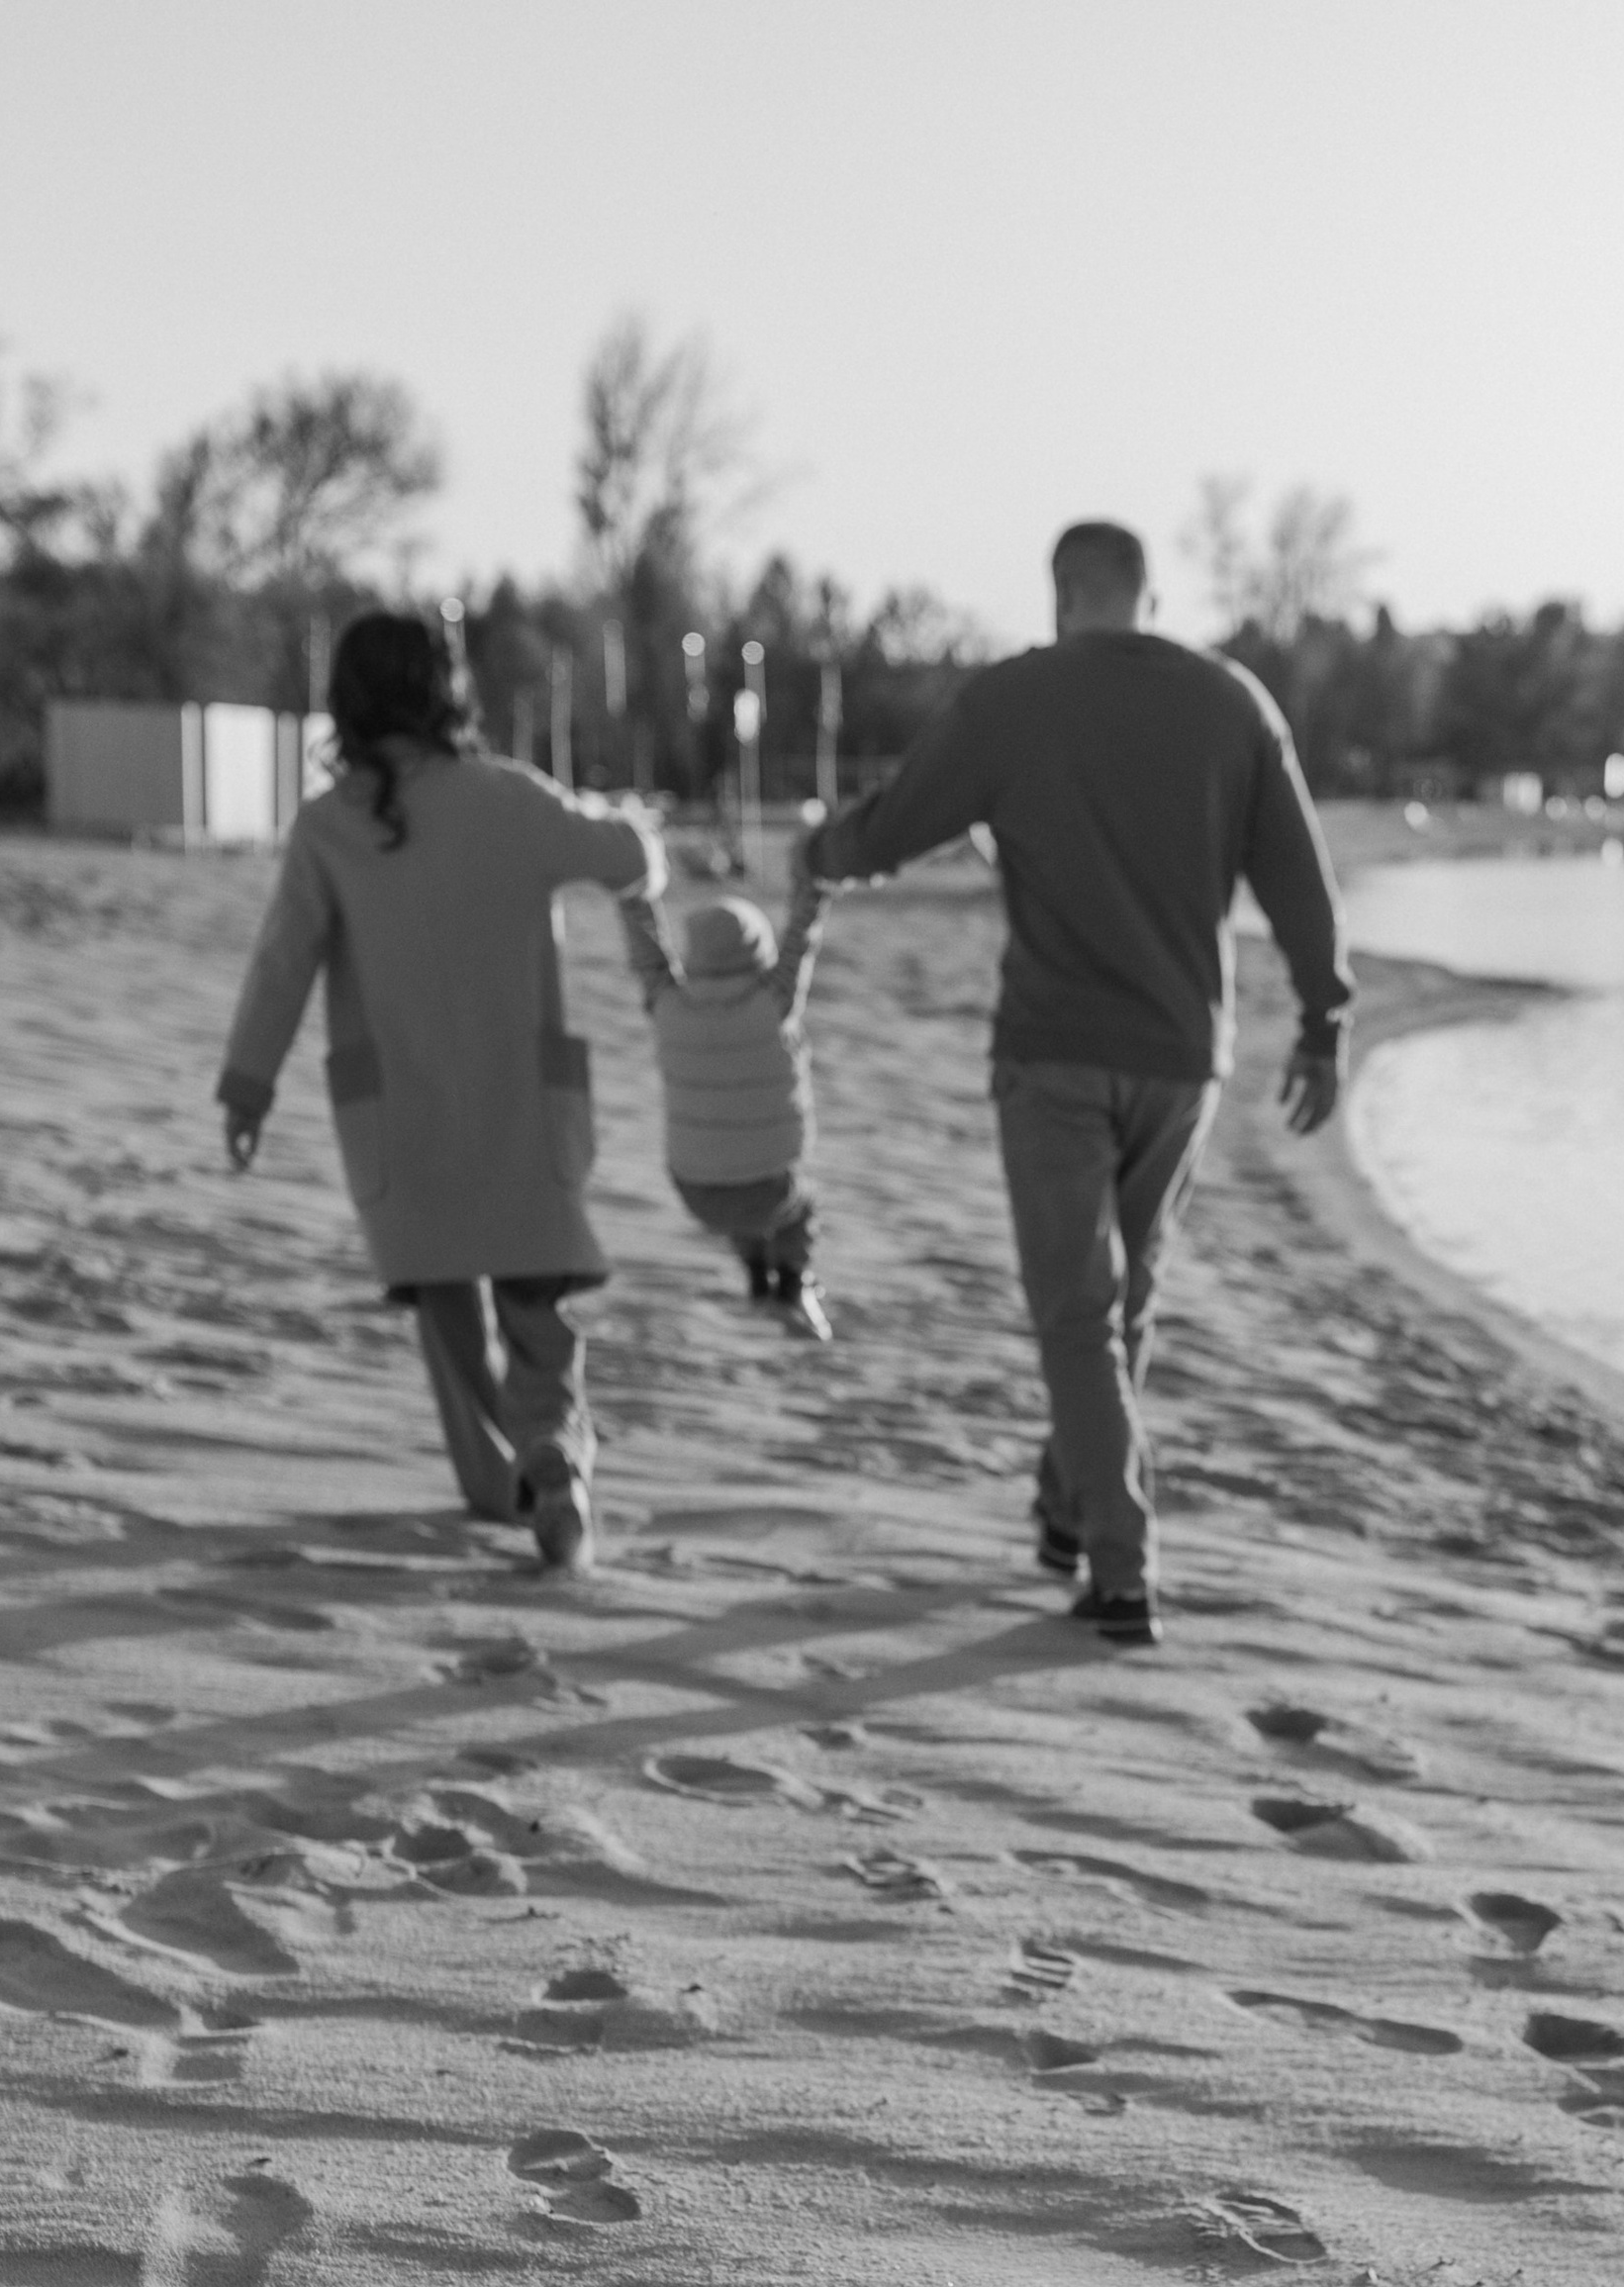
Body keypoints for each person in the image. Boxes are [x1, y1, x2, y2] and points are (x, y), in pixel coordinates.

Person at [802, 518, 1353, 1646]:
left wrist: (822, 853)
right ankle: (1070, 1503)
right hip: (1183, 1059)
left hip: (1055, 1048)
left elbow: (898, 824)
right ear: (1149, 596)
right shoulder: (1231, 702)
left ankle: (1118, 1564)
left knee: (1076, 1314)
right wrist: (1323, 1017)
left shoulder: (1014, 700)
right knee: (1120, 1305)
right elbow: (1298, 876)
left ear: (1062, 596)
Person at [215, 611, 665, 1574]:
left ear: (347, 705)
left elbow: (280, 965)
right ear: (448, 694)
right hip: (521, 1118)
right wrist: (628, 822)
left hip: (404, 1124)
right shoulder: (511, 799)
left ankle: (498, 1480)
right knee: (539, 1314)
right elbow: (631, 860)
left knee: (448, 1319)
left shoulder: (328, 828)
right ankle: (555, 1462)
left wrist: (246, 1090)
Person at [629, 877, 834, 1342]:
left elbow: (645, 948)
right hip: (768, 1187)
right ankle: (792, 1288)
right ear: (758, 953)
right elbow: (802, 938)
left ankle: (759, 1282)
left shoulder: (665, 1002)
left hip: (694, 1190)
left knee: (735, 1176)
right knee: (799, 1206)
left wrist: (632, 892)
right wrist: (816, 883)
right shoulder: (775, 1000)